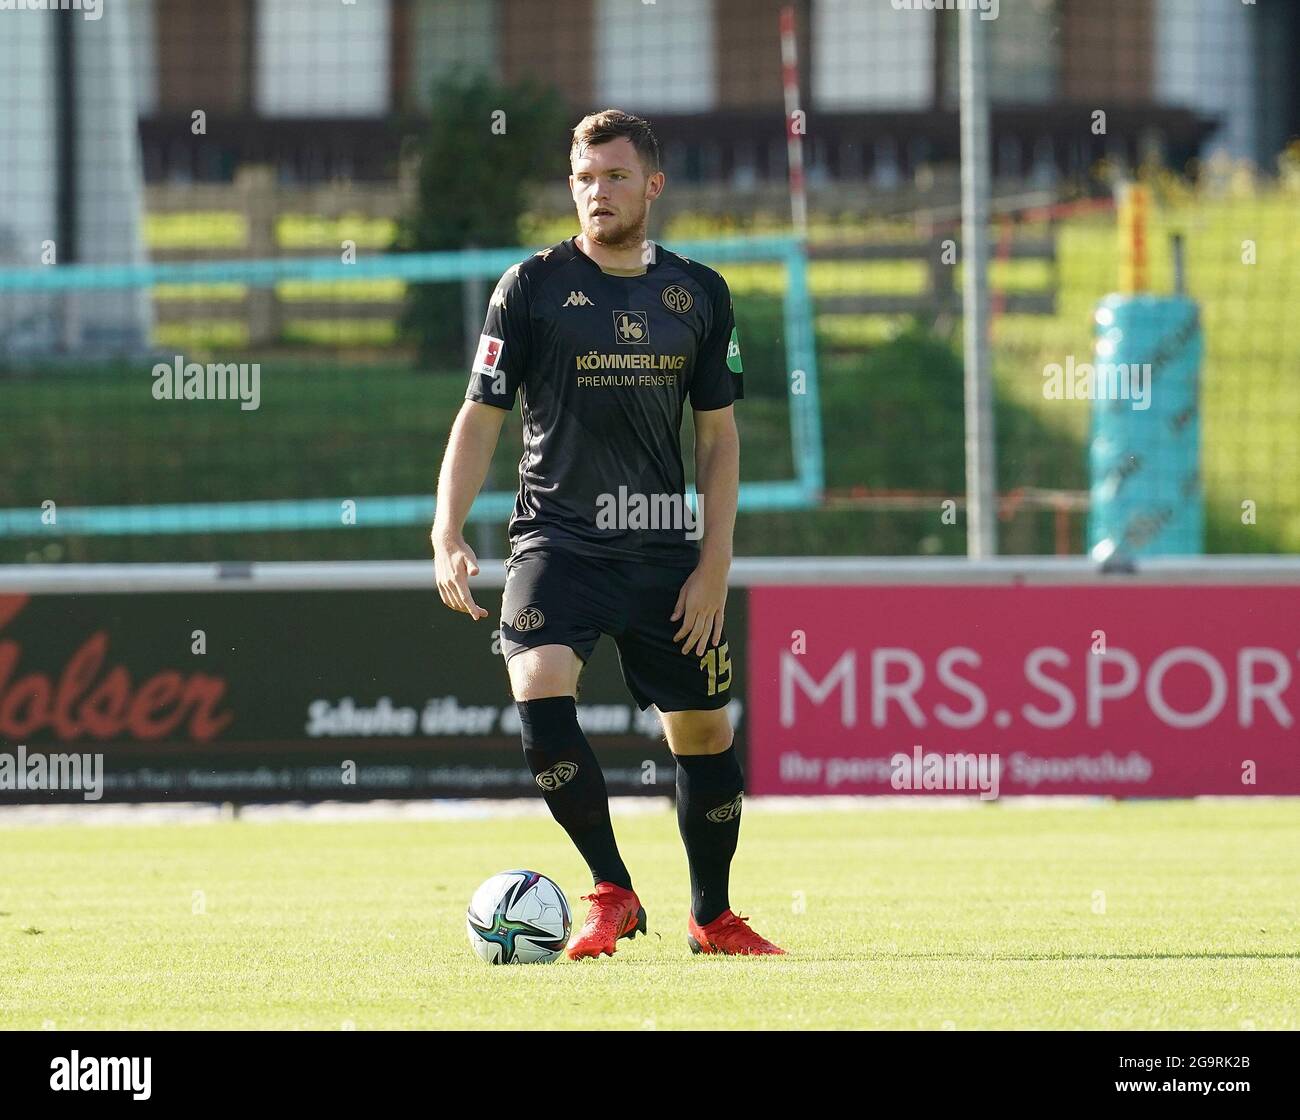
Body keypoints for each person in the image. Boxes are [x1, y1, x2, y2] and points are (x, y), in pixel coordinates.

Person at [432, 109, 784, 958]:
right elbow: (481, 416)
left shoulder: (699, 293)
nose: (598, 193)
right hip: (557, 538)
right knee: (539, 684)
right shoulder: (530, 287)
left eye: (616, 177)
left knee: (704, 736)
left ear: (652, 186)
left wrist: (713, 565)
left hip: (664, 546)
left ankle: (713, 917)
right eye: (585, 179)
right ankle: (611, 888)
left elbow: (719, 438)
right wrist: (447, 530)